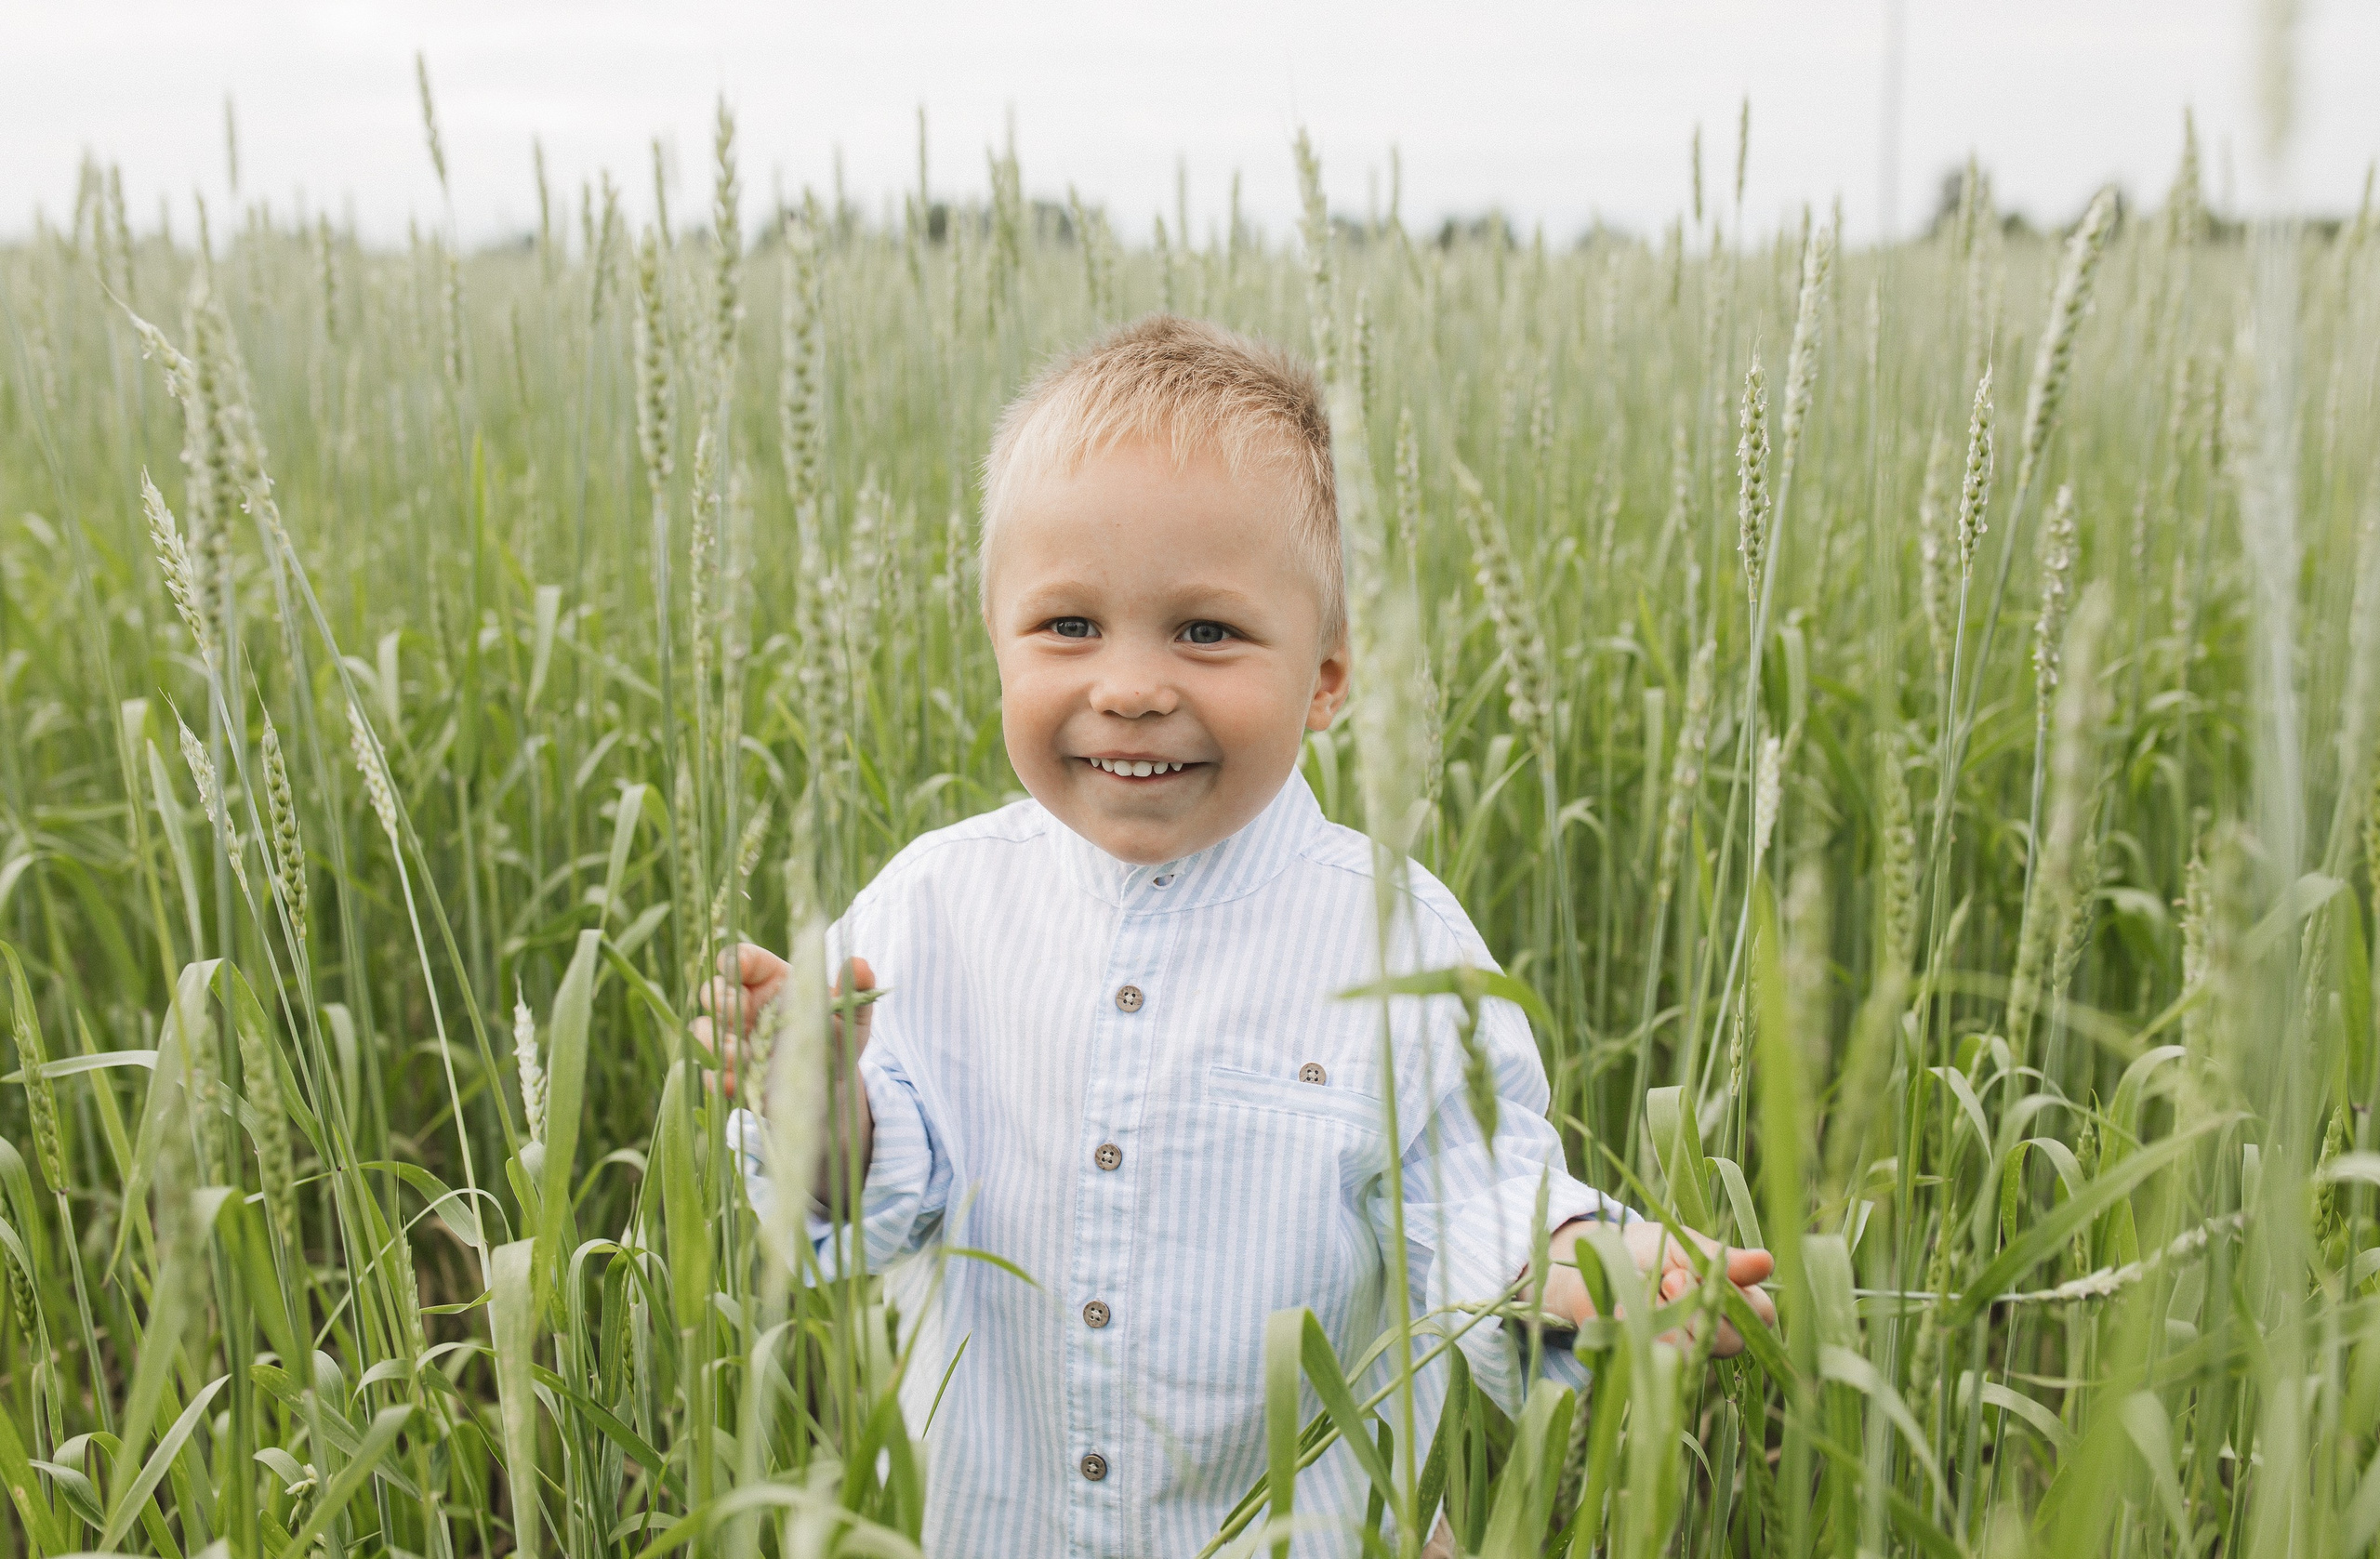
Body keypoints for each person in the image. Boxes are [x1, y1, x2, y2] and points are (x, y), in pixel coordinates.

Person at [695, 314, 1775, 1556]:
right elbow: (869, 1209)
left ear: (1326, 677)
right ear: (994, 637)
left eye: (1205, 631)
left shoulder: (1395, 944)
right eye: (1068, 626)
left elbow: (1476, 1198)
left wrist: (1590, 1266)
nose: (1132, 684)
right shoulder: (929, 911)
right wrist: (819, 1098)